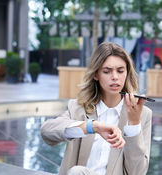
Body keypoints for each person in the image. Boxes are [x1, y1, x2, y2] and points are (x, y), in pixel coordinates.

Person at [41, 42, 152, 175]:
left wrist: (134, 124)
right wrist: (92, 127)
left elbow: (138, 172)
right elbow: (47, 132)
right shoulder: (78, 108)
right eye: (107, 71)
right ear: (96, 75)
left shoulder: (143, 114)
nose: (115, 77)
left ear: (127, 73)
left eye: (120, 71)